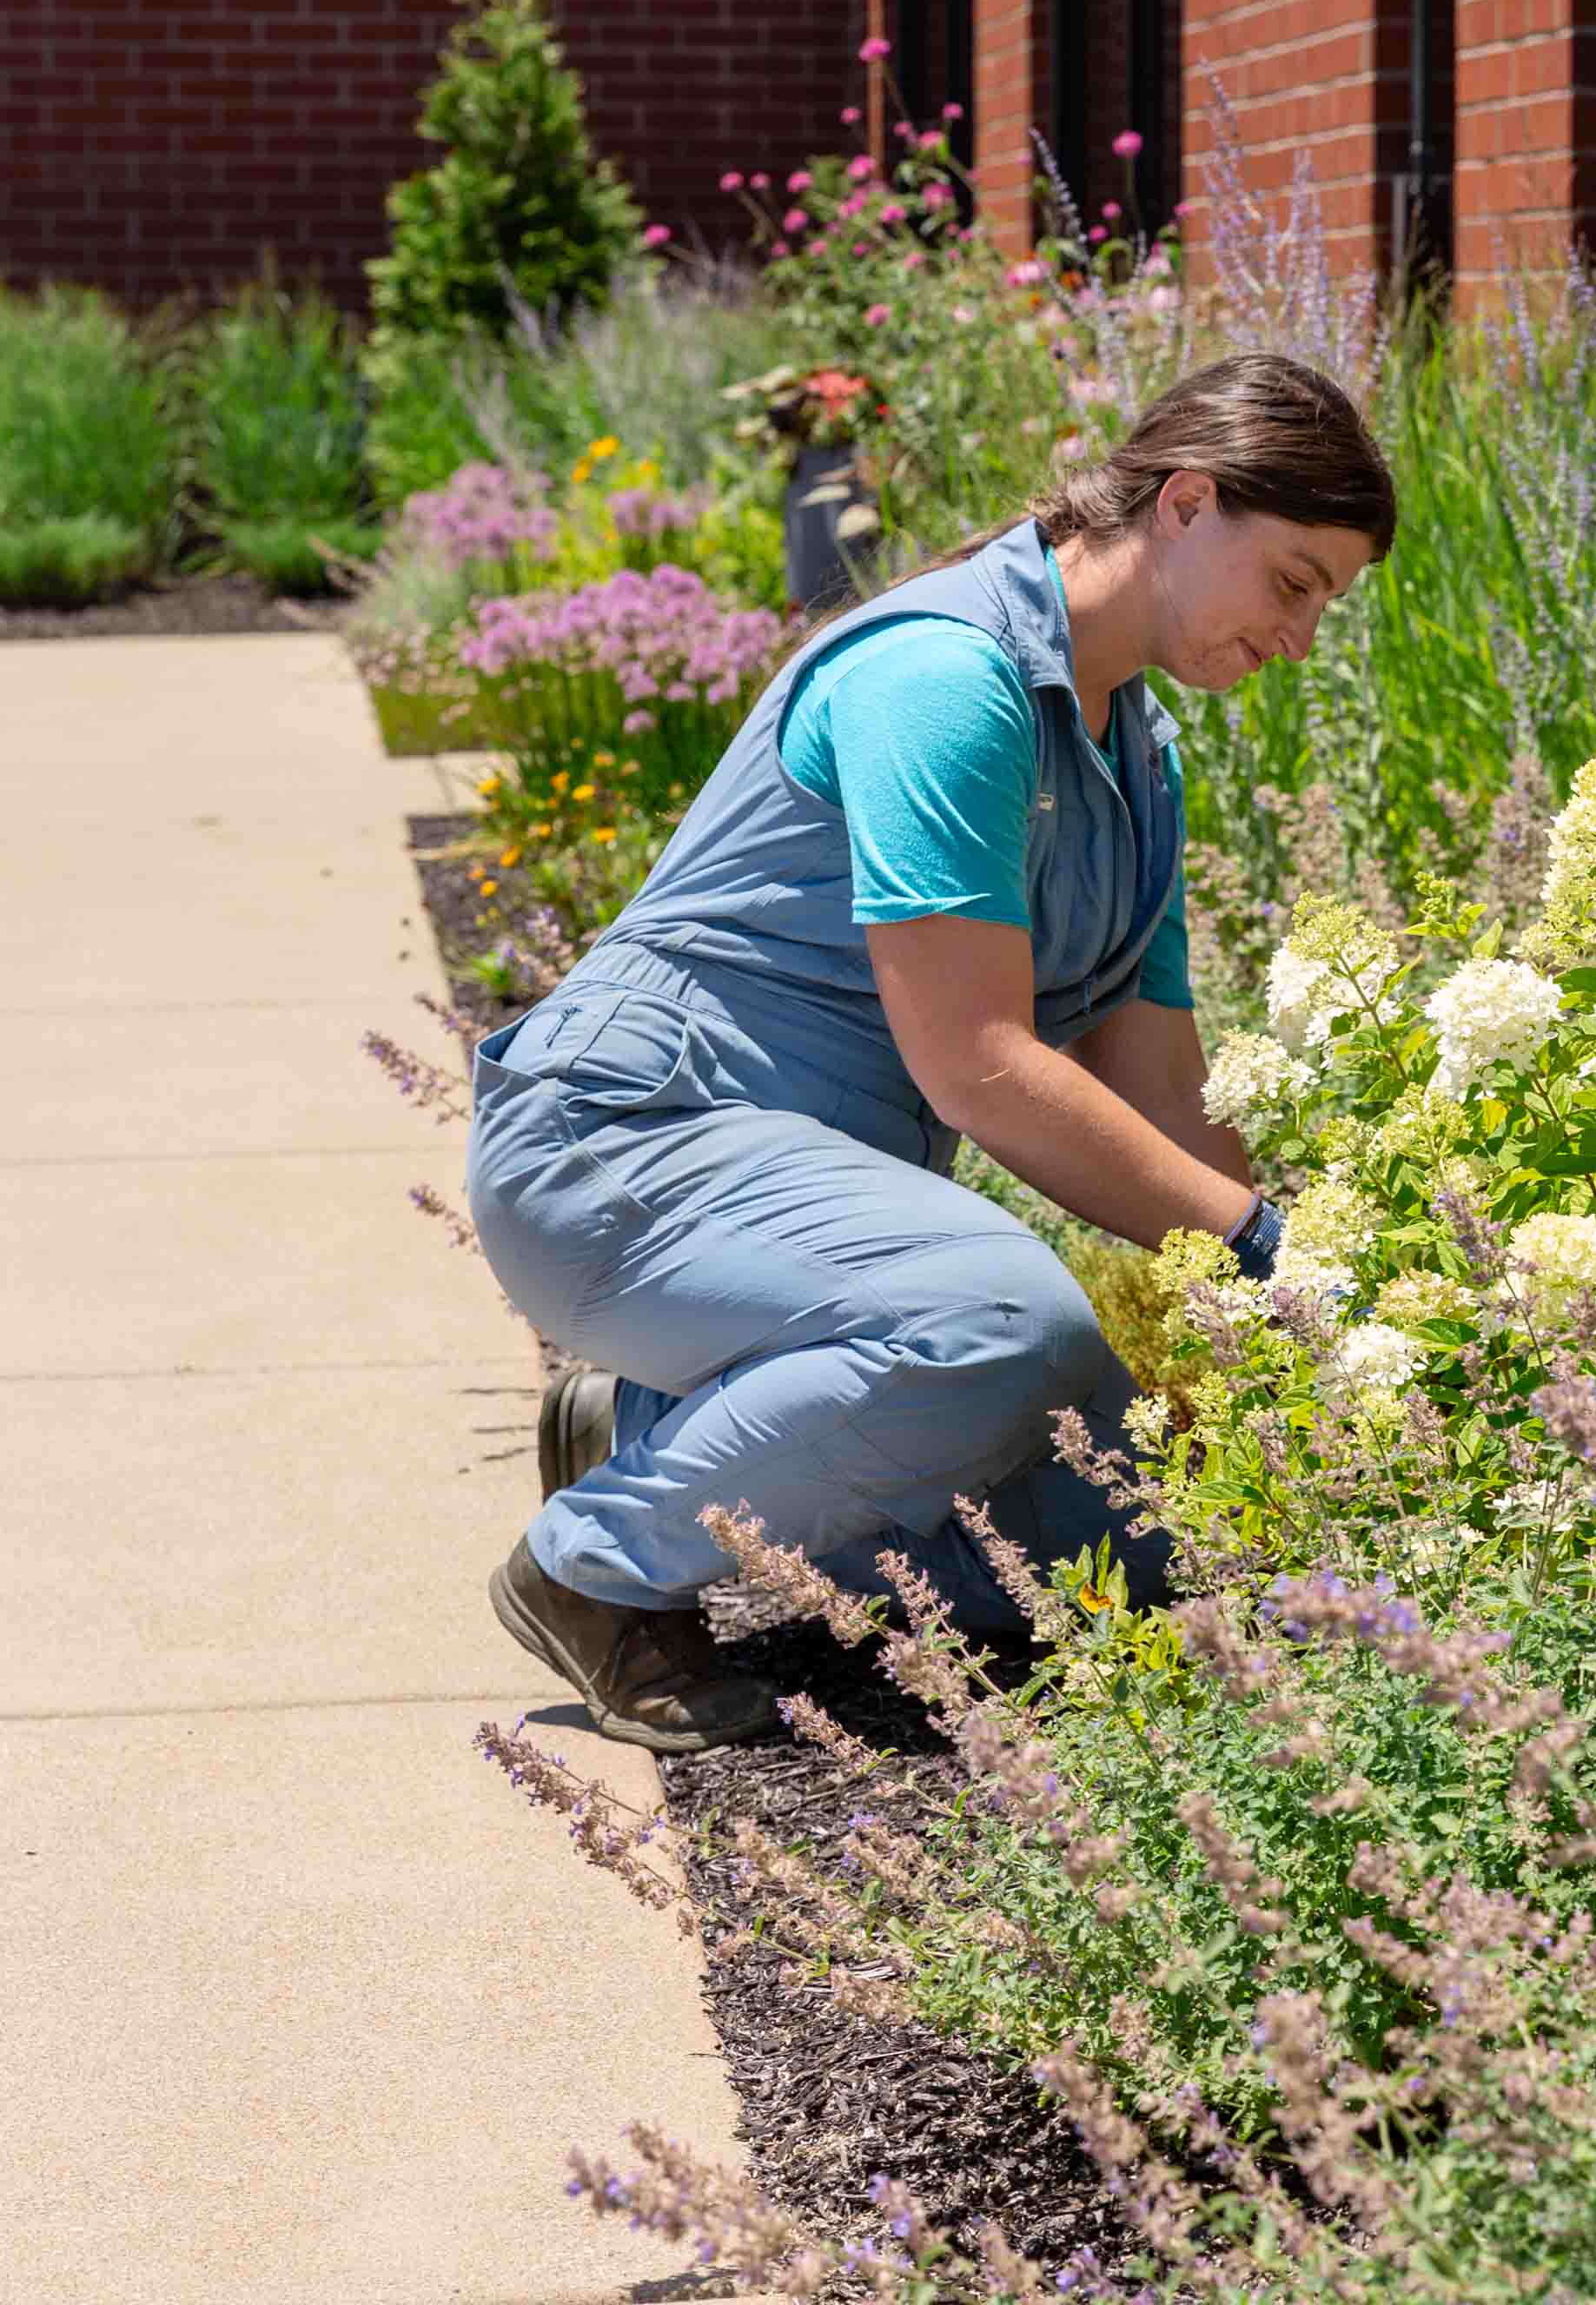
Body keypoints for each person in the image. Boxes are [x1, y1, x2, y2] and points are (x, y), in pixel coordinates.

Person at [467, 348, 1395, 1752]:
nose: (1302, 638)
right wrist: (1264, 1251)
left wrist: (1317, 1312)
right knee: (1003, 1328)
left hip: (787, 1220)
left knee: (1149, 1519)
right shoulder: (943, 680)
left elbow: (1160, 1090)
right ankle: (594, 1565)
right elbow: (978, 1067)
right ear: (1189, 503)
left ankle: (662, 1424)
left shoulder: (1136, 757)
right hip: (621, 1152)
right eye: (1295, 584)